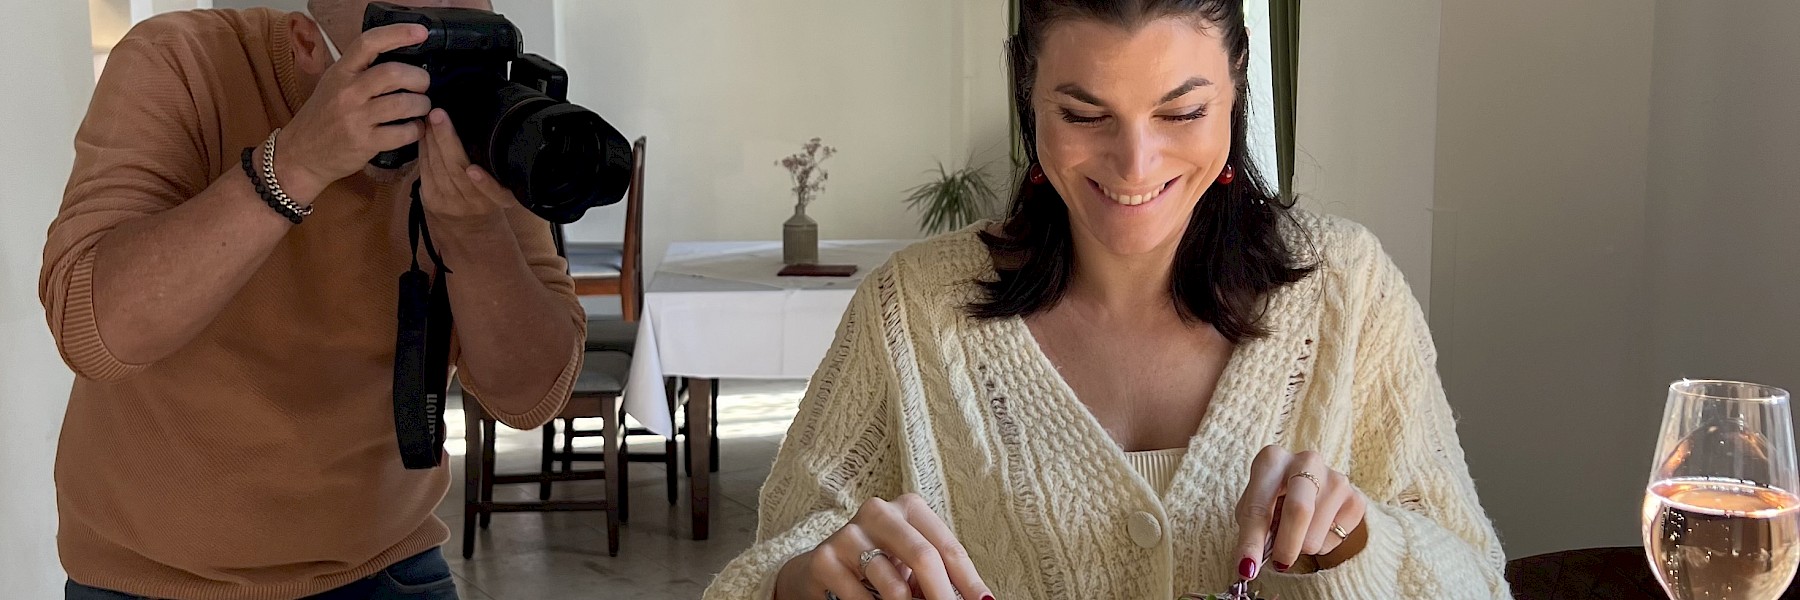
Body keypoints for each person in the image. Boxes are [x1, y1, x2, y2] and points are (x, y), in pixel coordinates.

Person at [703, 1, 1509, 598]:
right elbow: (774, 560)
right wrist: (807, 583)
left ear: (1237, 85)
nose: (1134, 164)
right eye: (1084, 114)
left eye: (1183, 112)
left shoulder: (1346, 289)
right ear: (1027, 92)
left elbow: (1474, 575)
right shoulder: (912, 309)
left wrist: (1355, 544)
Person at [39, 1, 584, 598]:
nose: (434, 99)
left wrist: (477, 236)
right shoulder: (181, 60)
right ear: (307, 44)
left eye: (471, 53)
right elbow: (93, 328)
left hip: (386, 564)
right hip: (149, 578)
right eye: (403, 64)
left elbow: (530, 396)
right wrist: (296, 163)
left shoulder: (488, 120)